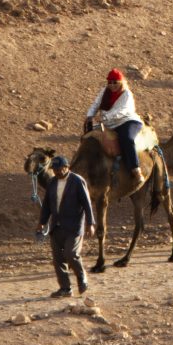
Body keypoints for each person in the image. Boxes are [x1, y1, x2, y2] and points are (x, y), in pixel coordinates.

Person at [37, 153, 95, 298]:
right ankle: (65, 288)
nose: (56, 172)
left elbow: (87, 203)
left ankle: (82, 277)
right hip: (56, 226)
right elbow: (47, 205)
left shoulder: (77, 181)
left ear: (67, 167)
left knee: (71, 254)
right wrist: (42, 222)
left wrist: (90, 223)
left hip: (74, 226)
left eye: (58, 169)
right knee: (58, 259)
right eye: (54, 169)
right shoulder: (52, 182)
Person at [84, 68, 143, 178]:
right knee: (90, 137)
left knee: (127, 138)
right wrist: (89, 115)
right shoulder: (105, 91)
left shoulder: (127, 94)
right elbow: (96, 104)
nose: (112, 85)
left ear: (121, 82)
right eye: (110, 82)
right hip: (110, 123)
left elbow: (122, 111)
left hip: (126, 121)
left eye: (115, 82)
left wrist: (105, 117)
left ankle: (135, 168)